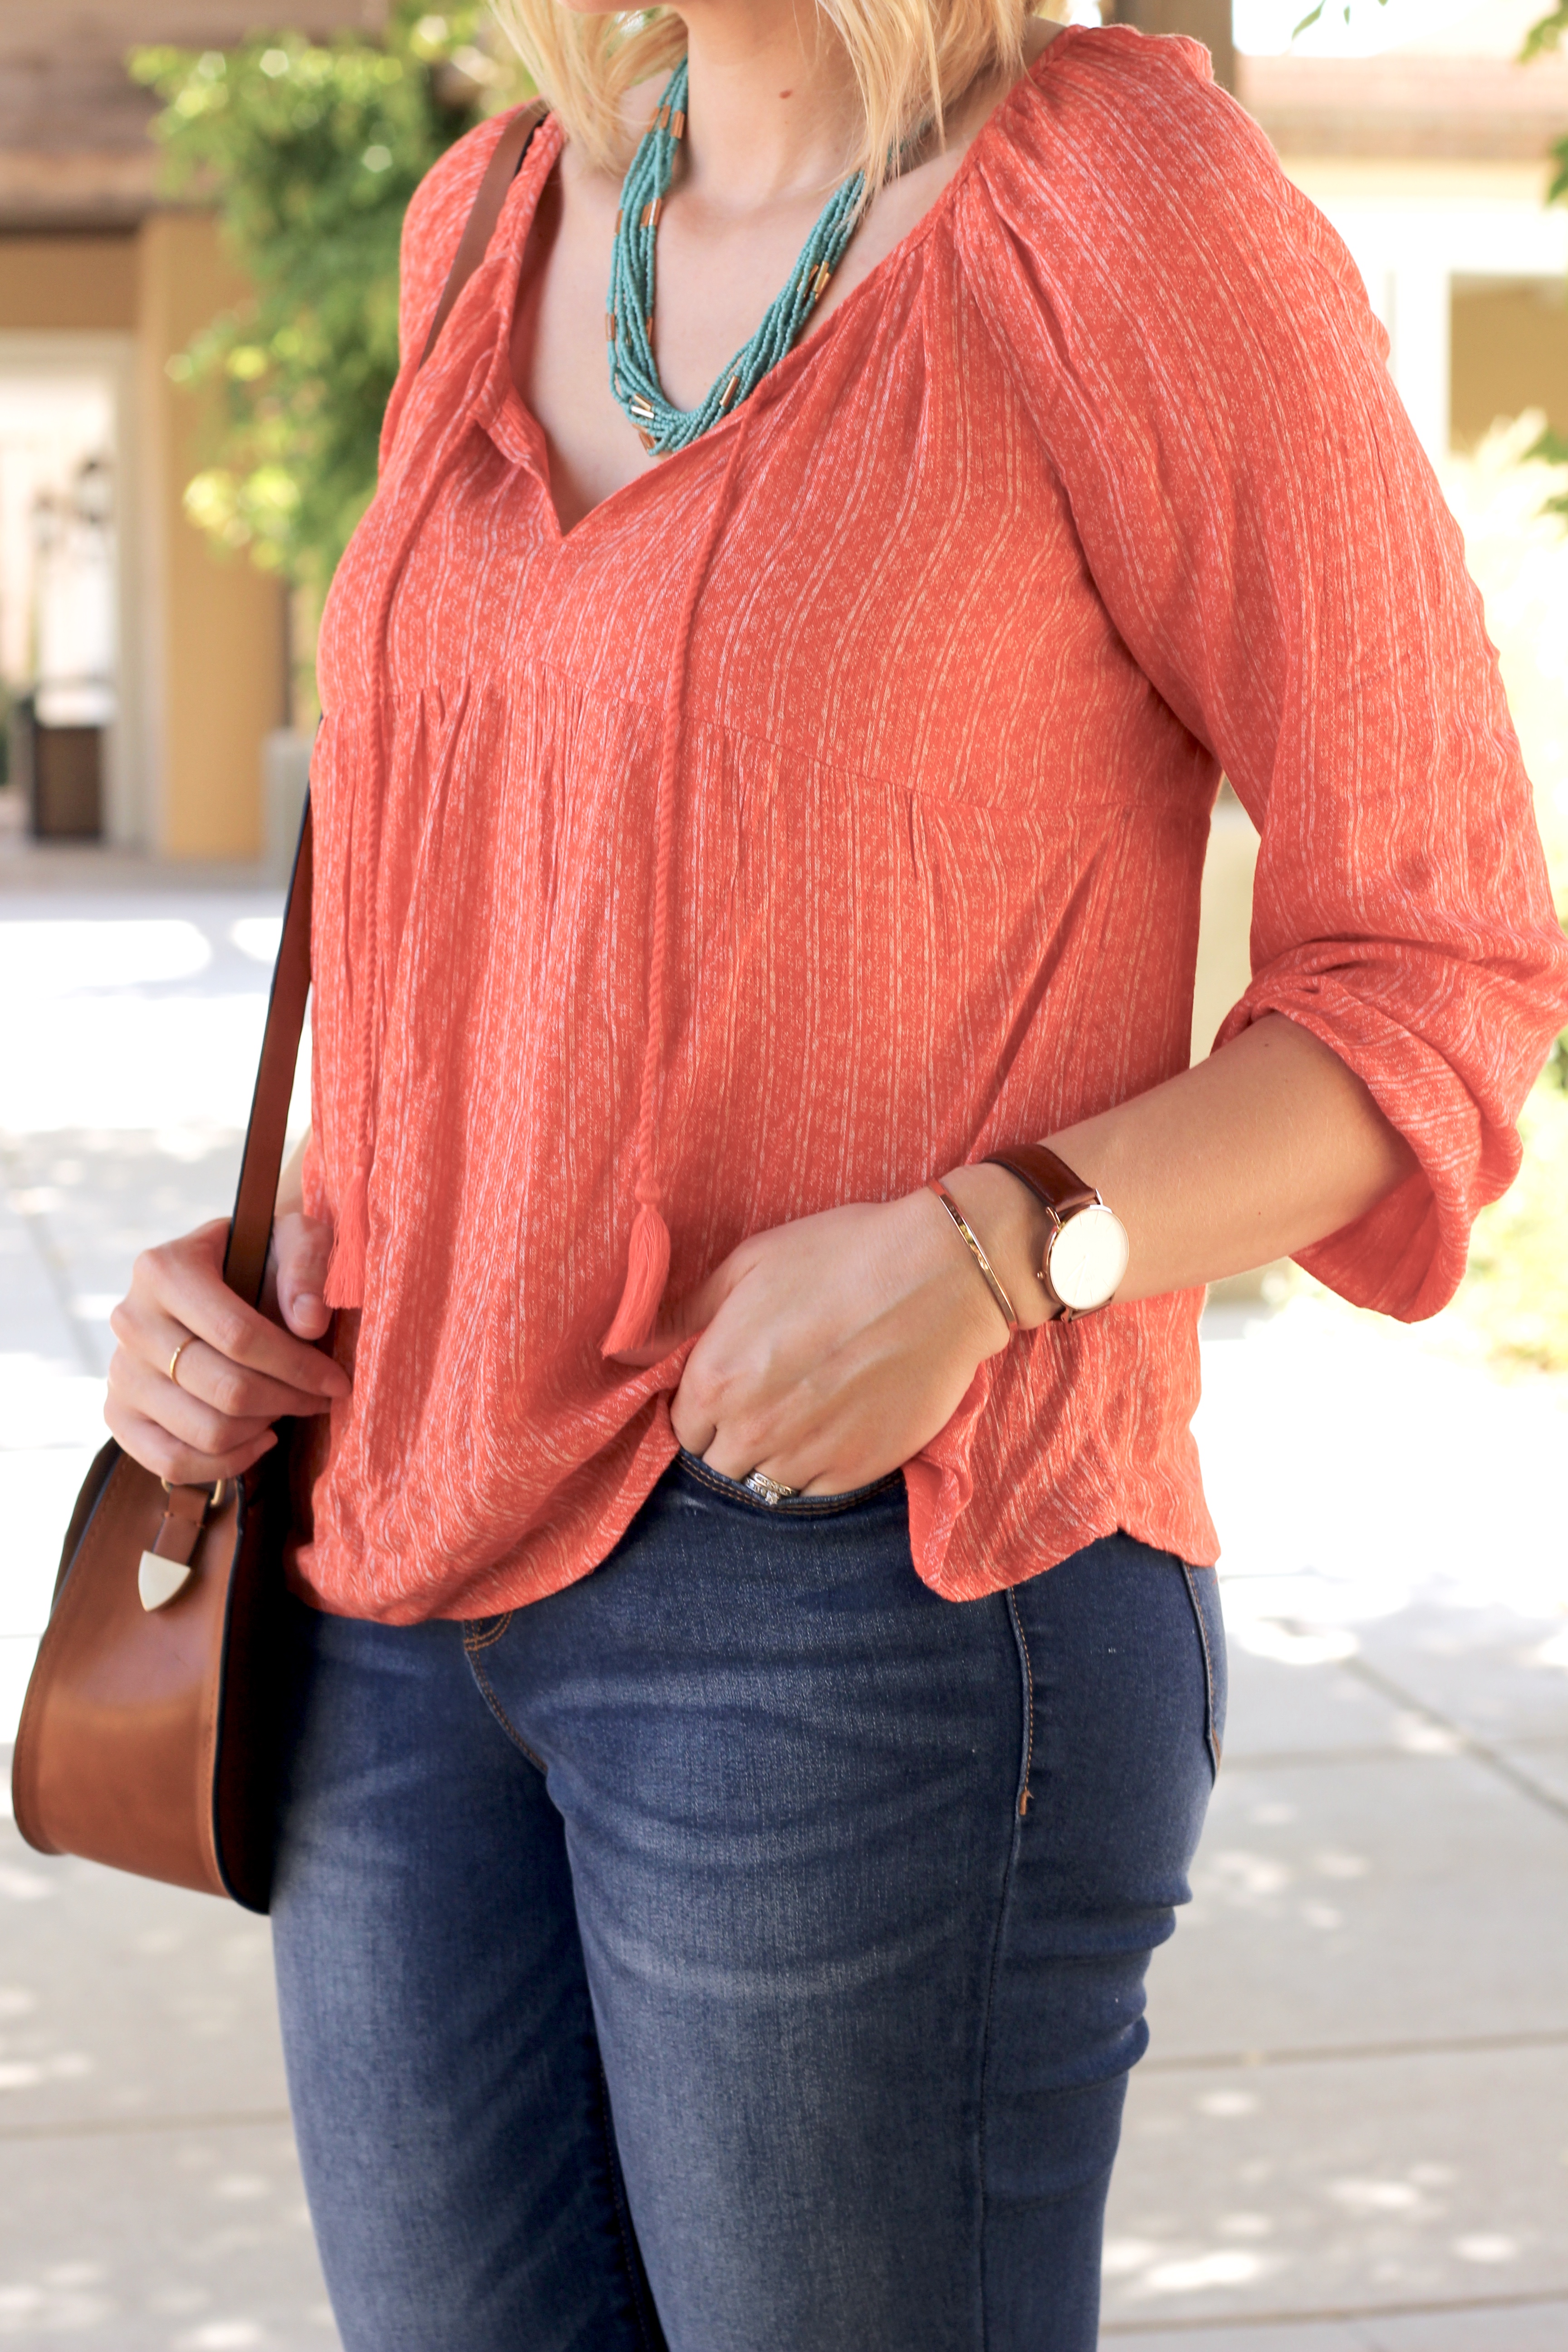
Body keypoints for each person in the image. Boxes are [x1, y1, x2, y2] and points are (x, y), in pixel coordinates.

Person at [104, 0, 1568, 2342]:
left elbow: (1442, 963)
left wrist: (1017, 1245)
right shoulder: (488, 220)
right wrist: (265, 1259)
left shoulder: (1123, 212)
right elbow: (466, 912)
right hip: (384, 1585)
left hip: (863, 1612)